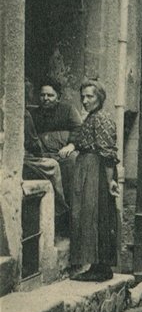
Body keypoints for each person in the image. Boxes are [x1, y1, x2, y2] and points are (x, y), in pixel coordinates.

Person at [59, 79, 120, 281]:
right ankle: (95, 265)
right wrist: (72, 146)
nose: (85, 100)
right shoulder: (92, 117)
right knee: (87, 216)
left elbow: (108, 154)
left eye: (90, 96)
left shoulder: (102, 119)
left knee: (96, 217)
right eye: (83, 96)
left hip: (97, 172)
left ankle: (101, 268)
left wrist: (110, 181)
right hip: (88, 168)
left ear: (99, 98)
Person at [33, 79, 81, 208]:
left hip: (63, 154)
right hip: (43, 155)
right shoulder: (34, 114)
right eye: (43, 95)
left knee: (72, 162)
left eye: (50, 95)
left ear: (58, 96)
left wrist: (71, 145)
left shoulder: (68, 109)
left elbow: (78, 128)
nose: (46, 98)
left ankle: (69, 209)